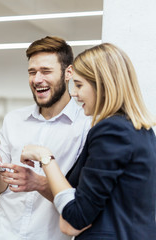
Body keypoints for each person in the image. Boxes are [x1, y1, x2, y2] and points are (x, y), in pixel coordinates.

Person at [20, 43, 156, 239]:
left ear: (102, 84)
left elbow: (75, 218)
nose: (74, 93)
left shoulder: (111, 130)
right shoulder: (143, 131)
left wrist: (44, 157)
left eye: (79, 85)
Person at [0, 36, 90, 239]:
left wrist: (38, 182)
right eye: (32, 72)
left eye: (46, 71)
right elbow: (1, 189)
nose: (37, 79)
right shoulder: (13, 120)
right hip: (2, 233)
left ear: (68, 73)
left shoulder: (86, 125)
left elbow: (82, 200)